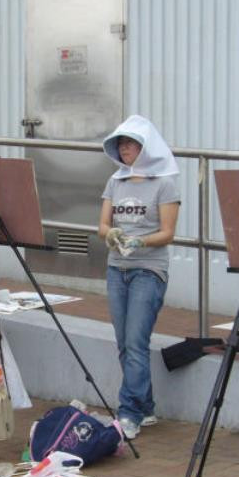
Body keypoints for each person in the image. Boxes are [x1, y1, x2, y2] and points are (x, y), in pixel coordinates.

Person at [97, 115, 181, 440]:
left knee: (135, 340)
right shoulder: (115, 181)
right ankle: (145, 407)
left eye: (131, 144)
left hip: (148, 269)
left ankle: (128, 412)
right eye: (121, 144)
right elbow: (103, 224)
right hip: (116, 267)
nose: (124, 149)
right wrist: (111, 234)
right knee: (124, 342)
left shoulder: (164, 183)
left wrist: (140, 242)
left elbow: (168, 232)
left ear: (146, 147)